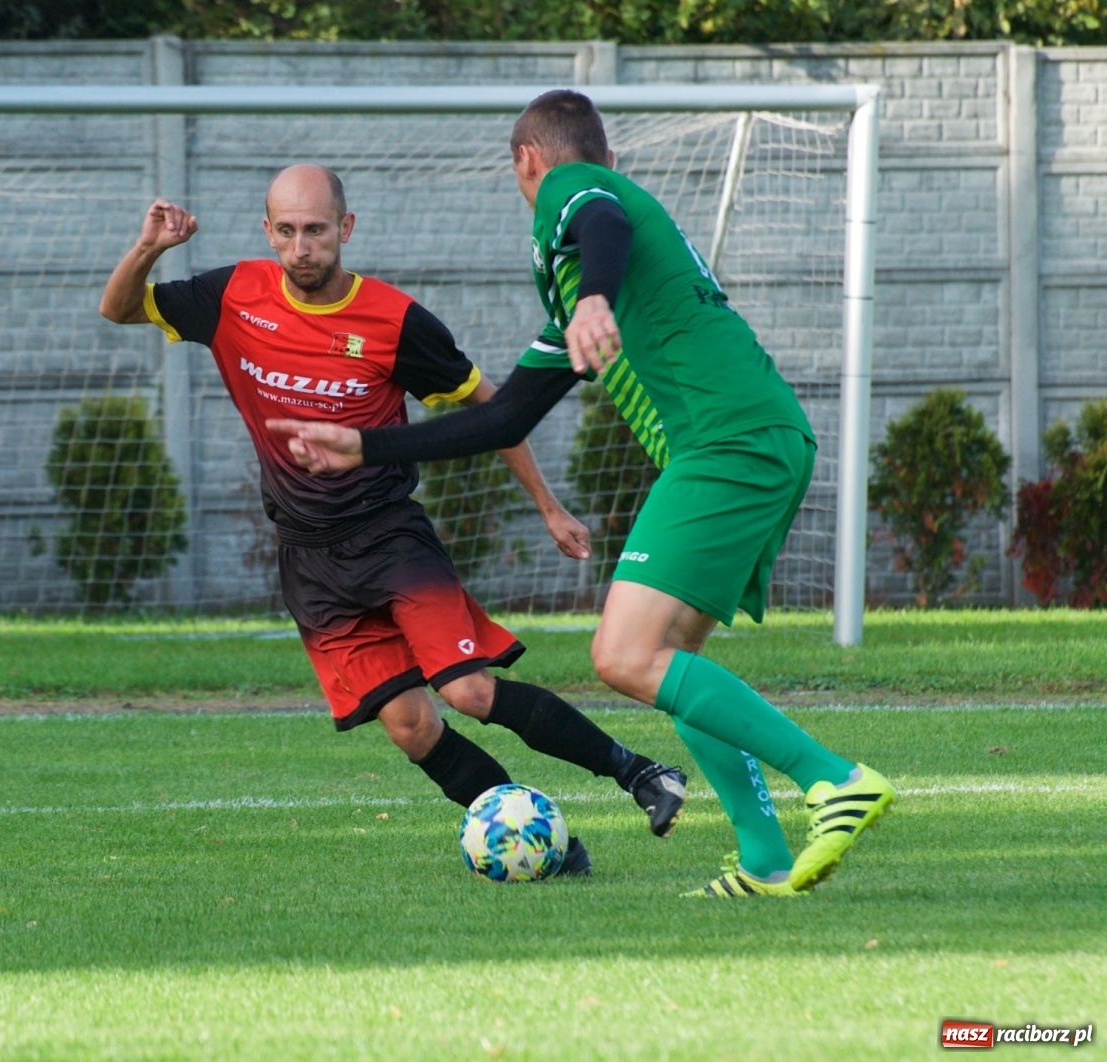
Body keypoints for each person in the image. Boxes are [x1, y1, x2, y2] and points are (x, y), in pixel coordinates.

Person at [267, 95, 895, 898]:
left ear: (527, 160)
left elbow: (599, 216)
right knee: (672, 660)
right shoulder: (582, 297)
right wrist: (365, 446)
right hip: (746, 439)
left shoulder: (574, 192)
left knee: (622, 656)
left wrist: (594, 292)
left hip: (727, 442)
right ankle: (764, 858)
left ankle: (834, 779)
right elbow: (504, 416)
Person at [98, 164, 689, 872]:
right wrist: (149, 248)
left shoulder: (395, 321)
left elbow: (494, 409)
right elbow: (120, 309)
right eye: (286, 231)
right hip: (308, 559)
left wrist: (548, 505)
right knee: (410, 726)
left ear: (345, 228)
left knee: (469, 690)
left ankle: (640, 772)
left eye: (316, 230)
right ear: (268, 232)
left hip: (389, 538)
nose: (302, 247)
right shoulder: (231, 296)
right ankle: (542, 846)